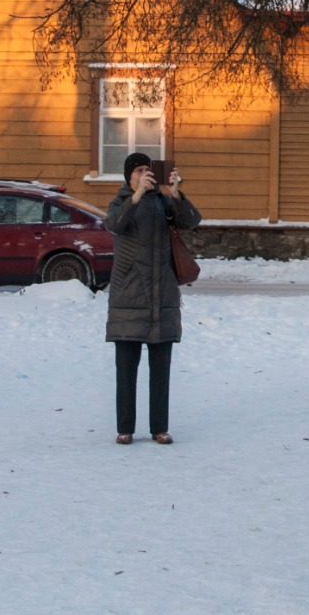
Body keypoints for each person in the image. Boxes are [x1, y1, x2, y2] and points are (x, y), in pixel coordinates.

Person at [103, 151, 202, 445]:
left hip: (162, 295)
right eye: (139, 171)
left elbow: (192, 221)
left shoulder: (163, 202)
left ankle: (159, 427)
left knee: (161, 369)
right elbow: (114, 225)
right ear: (129, 177)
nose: (145, 175)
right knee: (126, 370)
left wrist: (175, 193)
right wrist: (135, 197)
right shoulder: (121, 202)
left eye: (149, 170)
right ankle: (125, 428)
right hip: (128, 297)